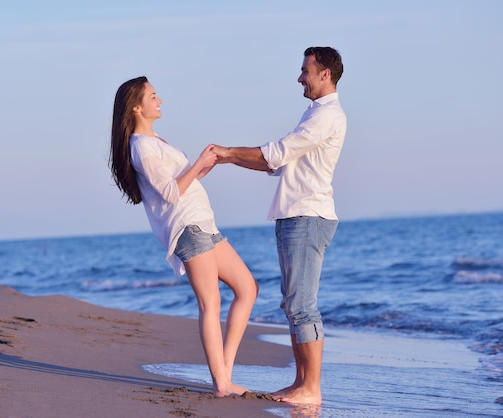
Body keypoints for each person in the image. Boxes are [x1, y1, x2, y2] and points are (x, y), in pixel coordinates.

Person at [212, 46, 347, 405]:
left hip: (307, 216)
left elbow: (277, 153)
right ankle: (300, 382)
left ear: (325, 74)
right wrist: (230, 158)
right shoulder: (313, 113)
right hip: (294, 214)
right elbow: (276, 164)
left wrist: (226, 153)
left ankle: (311, 388)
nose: (299, 77)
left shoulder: (326, 116)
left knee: (303, 305)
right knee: (292, 304)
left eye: (305, 70)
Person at [109, 76, 258, 397]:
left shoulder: (156, 141)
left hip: (205, 224)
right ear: (136, 107)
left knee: (247, 288)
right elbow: (170, 193)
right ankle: (221, 384)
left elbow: (182, 182)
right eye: (152, 96)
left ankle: (225, 371)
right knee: (210, 303)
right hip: (188, 228)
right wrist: (199, 164)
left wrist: (207, 165)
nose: (159, 100)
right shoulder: (142, 146)